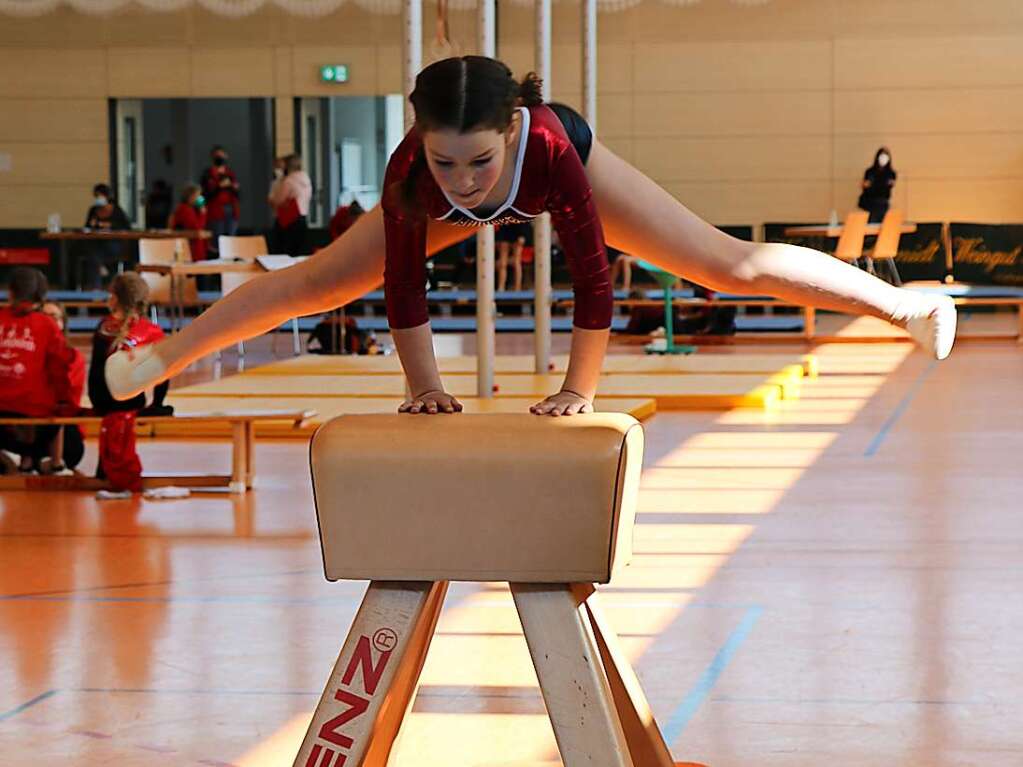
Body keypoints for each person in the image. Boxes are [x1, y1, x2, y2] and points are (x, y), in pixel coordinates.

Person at [104, 56, 956, 418]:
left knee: (721, 265)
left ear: (509, 130)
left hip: (568, 164)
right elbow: (404, 289)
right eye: (444, 160)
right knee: (319, 282)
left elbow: (592, 280)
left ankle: (900, 307)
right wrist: (425, 389)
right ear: (418, 142)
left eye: (476, 162)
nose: (463, 180)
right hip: (438, 201)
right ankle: (153, 359)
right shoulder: (417, 174)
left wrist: (578, 391)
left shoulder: (546, 149)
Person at [89, 273, 169, 498]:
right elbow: (164, 371)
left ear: (113, 298)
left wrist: (96, 400)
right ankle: (118, 470)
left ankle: (106, 468)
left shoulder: (103, 326)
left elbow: (95, 372)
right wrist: (157, 404)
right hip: (129, 399)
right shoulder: (151, 331)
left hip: (102, 399)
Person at [0, 268, 77, 475]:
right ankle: (41, 461)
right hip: (34, 414)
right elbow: (60, 369)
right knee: (51, 406)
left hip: (6, 410)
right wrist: (65, 402)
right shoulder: (47, 325)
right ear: (41, 297)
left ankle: (22, 460)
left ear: (11, 293)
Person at [40, 300, 86, 472]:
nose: (48, 321)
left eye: (53, 317)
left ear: (62, 323)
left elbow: (66, 394)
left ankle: (54, 461)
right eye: (43, 316)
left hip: (62, 424)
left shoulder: (73, 356)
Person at [82, 183, 132, 289]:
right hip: (96, 242)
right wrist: (93, 225)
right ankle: (98, 281)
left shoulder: (116, 210)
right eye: (96, 196)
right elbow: (87, 227)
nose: (98, 198)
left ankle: (99, 276)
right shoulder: (93, 210)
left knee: (94, 256)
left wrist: (109, 225)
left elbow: (126, 227)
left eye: (100, 195)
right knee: (91, 249)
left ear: (107, 196)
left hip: (113, 243)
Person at [268, 153, 313, 257]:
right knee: (299, 251)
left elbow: (278, 200)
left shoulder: (289, 181)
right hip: (302, 218)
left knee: (284, 251)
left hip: (288, 220)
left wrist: (272, 196)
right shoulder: (305, 179)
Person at [200, 145, 241, 253]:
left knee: (231, 241)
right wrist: (219, 187)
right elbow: (204, 195)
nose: (220, 158)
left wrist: (232, 187)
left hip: (231, 210)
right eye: (217, 155)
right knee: (217, 241)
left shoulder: (230, 173)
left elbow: (238, 193)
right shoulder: (207, 174)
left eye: (222, 155)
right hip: (215, 211)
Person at [168, 184, 209, 262]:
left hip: (192, 246)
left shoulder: (189, 209)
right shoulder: (185, 210)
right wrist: (202, 213)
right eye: (198, 195)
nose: (200, 199)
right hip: (190, 248)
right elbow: (197, 228)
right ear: (190, 196)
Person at [858, 146, 897, 224]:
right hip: (871, 202)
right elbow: (866, 186)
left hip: (883, 202)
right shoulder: (870, 171)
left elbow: (888, 187)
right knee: (872, 224)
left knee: (883, 224)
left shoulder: (890, 173)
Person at [495, 221, 531, 292]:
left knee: (516, 262)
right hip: (505, 229)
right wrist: (498, 237)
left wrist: (522, 234)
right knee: (502, 263)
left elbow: (523, 216)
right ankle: (501, 287)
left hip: (517, 229)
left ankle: (517, 287)